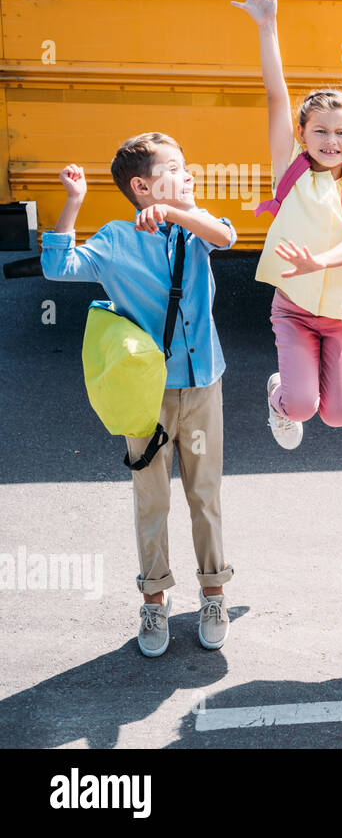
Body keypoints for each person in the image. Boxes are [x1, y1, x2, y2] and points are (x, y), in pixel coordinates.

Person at [41, 136, 236, 657]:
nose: (188, 171)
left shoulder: (192, 230)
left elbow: (224, 236)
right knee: (152, 500)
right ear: (141, 185)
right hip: (145, 394)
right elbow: (57, 268)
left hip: (201, 384)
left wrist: (177, 210)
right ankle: (154, 601)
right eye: (175, 167)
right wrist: (74, 204)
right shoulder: (115, 240)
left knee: (206, 494)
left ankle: (213, 592)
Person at [232, 0, 342, 451]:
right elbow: (275, 94)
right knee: (302, 406)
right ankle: (279, 396)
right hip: (296, 309)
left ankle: (298, 389)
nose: (331, 141)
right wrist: (267, 26)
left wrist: (321, 262)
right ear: (303, 134)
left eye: (341, 133)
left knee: (341, 415)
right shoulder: (288, 168)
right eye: (320, 131)